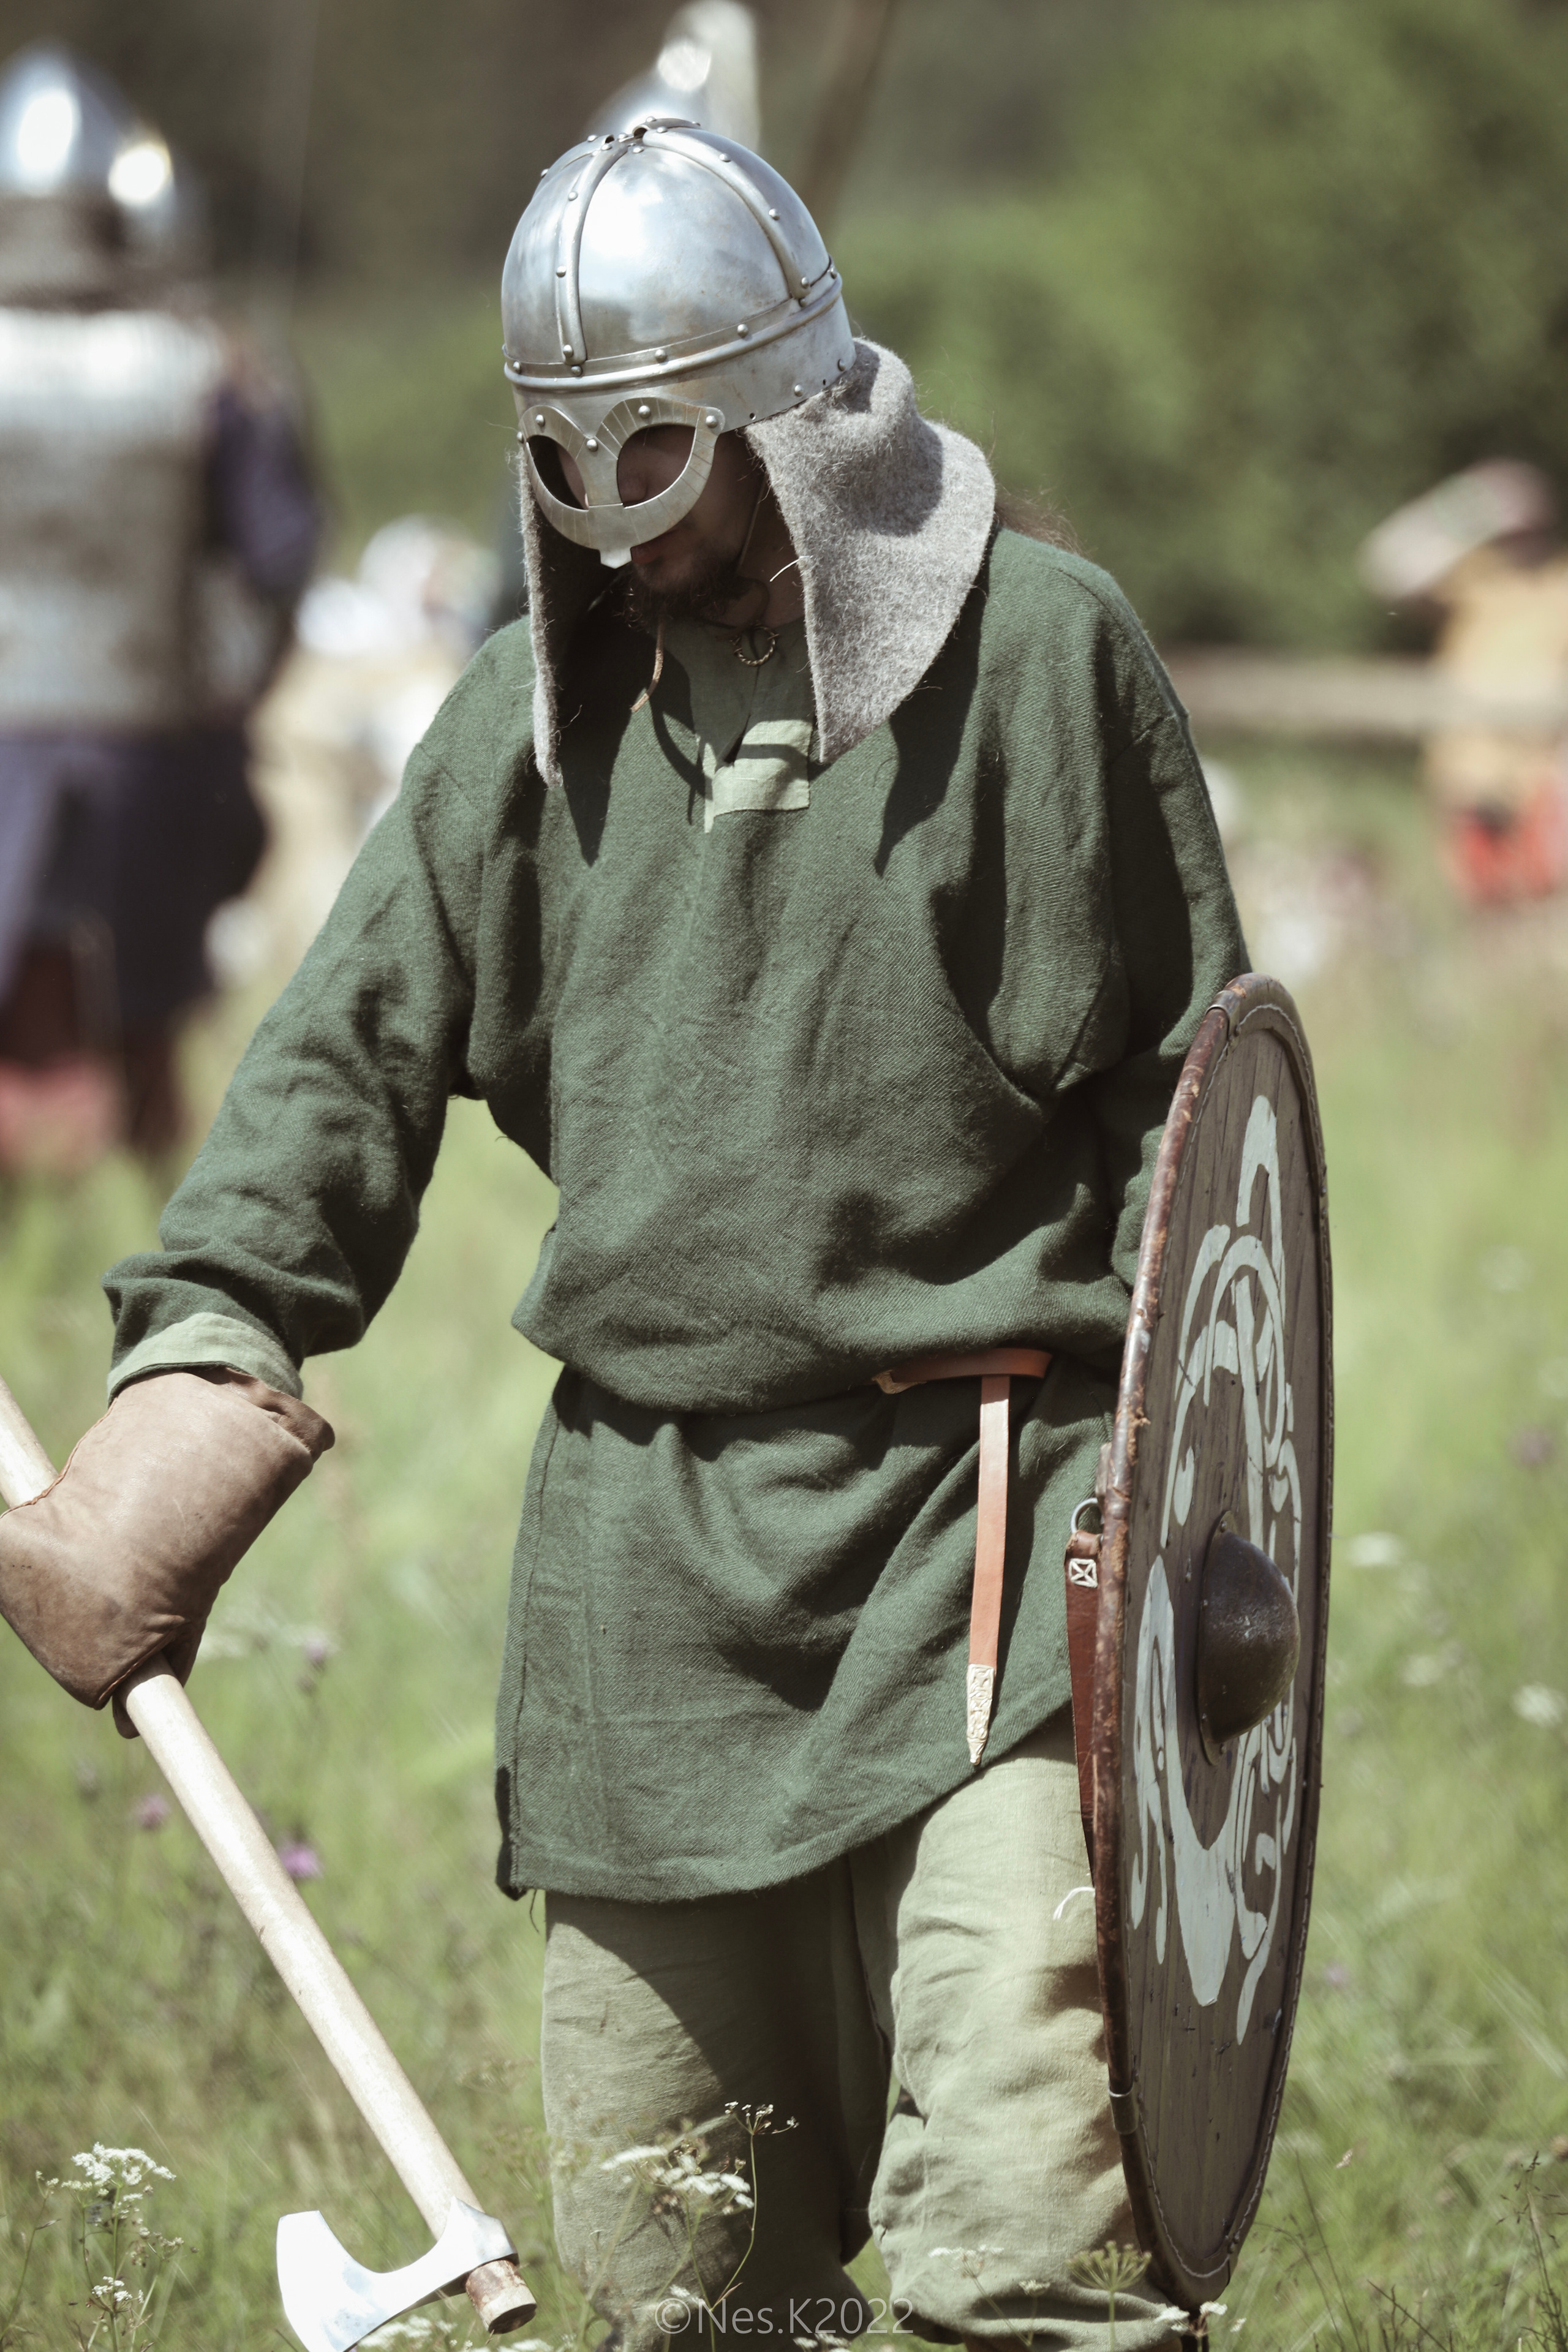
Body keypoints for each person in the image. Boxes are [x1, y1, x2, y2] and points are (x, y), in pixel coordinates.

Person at [0, 125, 1243, 2348]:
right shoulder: (526, 729)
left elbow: (1195, 1133)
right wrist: (192, 1362)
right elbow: (333, 1079)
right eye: (569, 460)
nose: (620, 513)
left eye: (660, 444)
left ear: (795, 408)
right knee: (685, 2297)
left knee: (1025, 2278)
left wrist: (1197, 1543)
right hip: (644, 1604)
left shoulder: (1043, 662)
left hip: (990, 1561)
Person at [0, 45, 320, 1169]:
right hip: (155, 753)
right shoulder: (204, 367)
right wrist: (225, 691)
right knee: (137, 1060)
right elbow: (279, 563)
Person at [1359, 459, 1568, 908]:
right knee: (1481, 908)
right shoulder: (1474, 575)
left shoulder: (1560, 585)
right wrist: (1470, 505)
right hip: (1466, 775)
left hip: (1540, 778)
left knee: (1542, 906)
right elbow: (1385, 565)